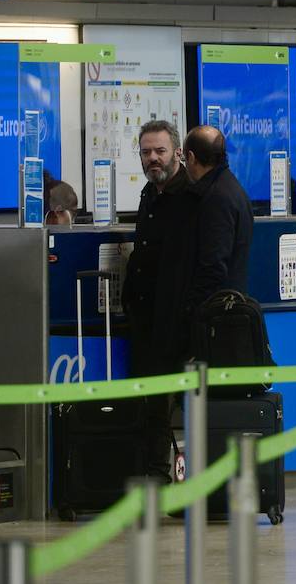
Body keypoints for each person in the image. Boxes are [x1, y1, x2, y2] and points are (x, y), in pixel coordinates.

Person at [122, 119, 198, 480]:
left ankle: (179, 476)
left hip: (178, 318)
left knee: (176, 401)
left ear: (178, 153)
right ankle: (155, 475)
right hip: (147, 317)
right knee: (152, 402)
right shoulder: (149, 194)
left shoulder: (191, 196)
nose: (153, 158)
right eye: (146, 152)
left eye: (160, 151)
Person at [181, 125, 253, 316]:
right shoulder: (232, 188)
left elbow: (213, 266)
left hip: (216, 316)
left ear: (191, 157)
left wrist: (189, 310)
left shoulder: (216, 198)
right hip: (230, 308)